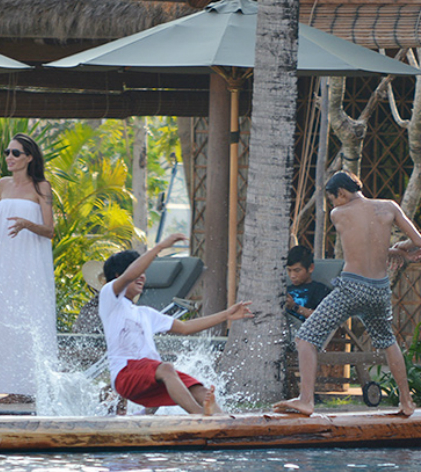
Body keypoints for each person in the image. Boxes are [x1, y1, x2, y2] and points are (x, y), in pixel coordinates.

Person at [274, 171, 421, 417]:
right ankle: (406, 402)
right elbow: (417, 242)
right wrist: (401, 247)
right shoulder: (389, 207)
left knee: (306, 338)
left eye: (333, 199)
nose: (332, 205)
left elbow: (360, 237)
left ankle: (306, 400)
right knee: (387, 341)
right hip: (379, 288)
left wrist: (394, 249)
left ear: (341, 193)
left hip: (351, 287)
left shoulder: (338, 214)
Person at [99, 233, 253, 415]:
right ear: (118, 276)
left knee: (202, 392)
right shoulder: (110, 299)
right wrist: (160, 247)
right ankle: (199, 417)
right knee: (166, 368)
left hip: (151, 375)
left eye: (143, 274)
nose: (141, 277)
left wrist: (226, 315)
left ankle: (224, 427)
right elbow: (128, 275)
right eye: (137, 273)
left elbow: (185, 328)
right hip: (125, 375)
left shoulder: (145, 313)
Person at [0, 133, 57, 404]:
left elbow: (50, 230)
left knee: (27, 314)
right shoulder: (2, 185)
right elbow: (6, 224)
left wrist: (27, 225)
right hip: (4, 261)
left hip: (29, 263)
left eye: (16, 153)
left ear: (29, 157)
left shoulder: (42, 187)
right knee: (1, 312)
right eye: (8, 152)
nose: (9, 157)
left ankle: (26, 387)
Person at [285, 245, 331, 322]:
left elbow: (325, 319)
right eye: (289, 270)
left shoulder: (320, 291)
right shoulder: (285, 290)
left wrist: (295, 307)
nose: (292, 276)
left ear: (310, 268)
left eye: (297, 270)